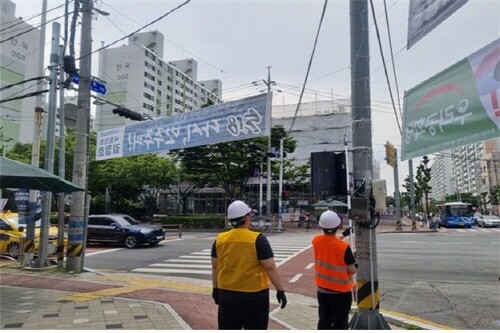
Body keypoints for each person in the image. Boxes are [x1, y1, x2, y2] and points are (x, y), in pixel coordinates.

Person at [211, 200, 287, 329]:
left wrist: (215, 289)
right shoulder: (258, 238)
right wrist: (280, 290)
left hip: (227, 294)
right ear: (247, 218)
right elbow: (269, 266)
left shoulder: (220, 239)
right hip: (255, 295)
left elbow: (215, 266)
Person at [312, 210, 357, 330]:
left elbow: (330, 241)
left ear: (321, 226)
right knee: (340, 323)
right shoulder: (344, 247)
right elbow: (352, 270)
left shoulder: (316, 241)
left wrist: (343, 234)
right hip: (341, 293)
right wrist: (356, 260)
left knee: (324, 321)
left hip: (322, 291)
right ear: (338, 225)